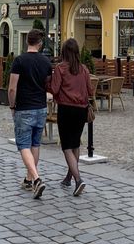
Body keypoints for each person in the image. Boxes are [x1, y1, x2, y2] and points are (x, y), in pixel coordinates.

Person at [8, 29, 51, 200]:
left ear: (27, 42)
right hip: (41, 107)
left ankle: (37, 179)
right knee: (35, 144)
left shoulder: (19, 61)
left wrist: (12, 105)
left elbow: (12, 88)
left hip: (24, 107)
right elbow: (48, 85)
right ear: (40, 44)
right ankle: (28, 179)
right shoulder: (46, 61)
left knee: (23, 145)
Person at [49, 38, 93, 197]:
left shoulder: (60, 68)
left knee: (66, 146)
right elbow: (90, 91)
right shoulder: (84, 69)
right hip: (81, 110)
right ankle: (69, 177)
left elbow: (54, 88)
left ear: (64, 52)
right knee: (75, 143)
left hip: (66, 109)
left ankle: (78, 179)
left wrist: (46, 82)